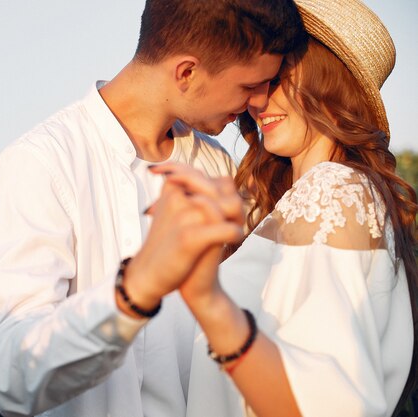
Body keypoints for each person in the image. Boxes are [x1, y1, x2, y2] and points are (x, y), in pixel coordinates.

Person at [0, 1, 306, 416]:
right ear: (187, 72)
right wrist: (135, 291)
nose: (260, 100)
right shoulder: (42, 161)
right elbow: (8, 377)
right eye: (249, 86)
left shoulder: (218, 166)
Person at [141, 0, 417, 416]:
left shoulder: (333, 192)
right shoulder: (303, 200)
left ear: (330, 82)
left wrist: (209, 302)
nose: (257, 100)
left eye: (279, 77)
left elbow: (325, 405)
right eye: (256, 79)